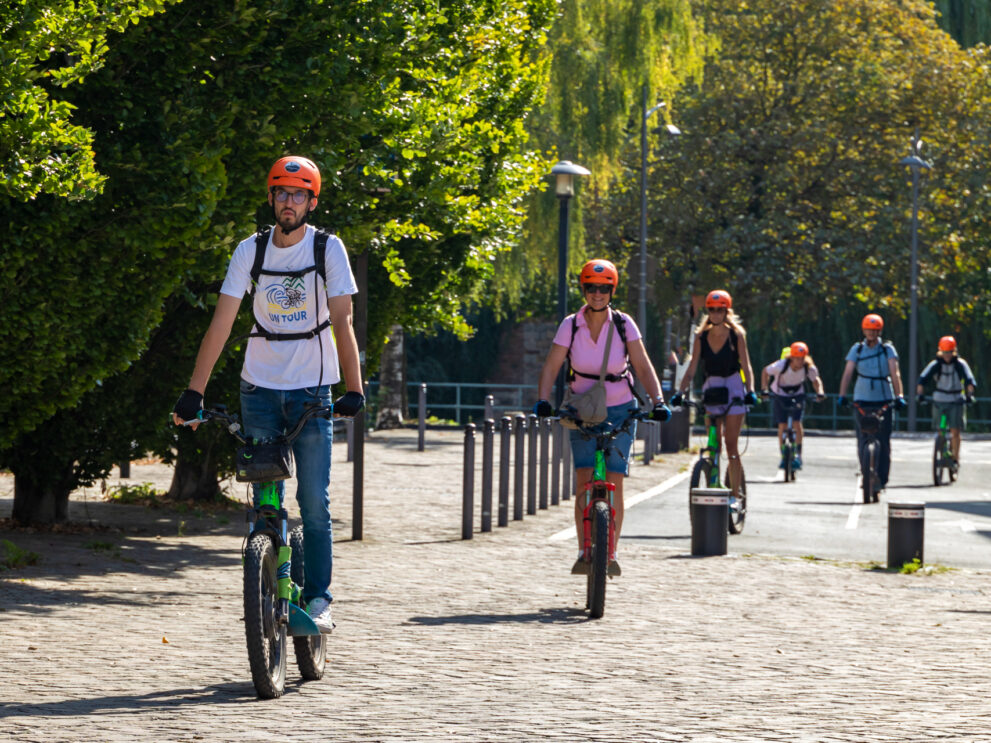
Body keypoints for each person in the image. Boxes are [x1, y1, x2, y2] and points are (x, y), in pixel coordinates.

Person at [172, 156, 365, 633]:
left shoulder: (327, 249)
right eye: (282, 193)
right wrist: (193, 391)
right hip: (258, 386)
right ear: (271, 198)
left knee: (314, 502)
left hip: (311, 389)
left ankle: (319, 599)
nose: (289, 202)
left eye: (299, 195)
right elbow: (222, 322)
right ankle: (266, 588)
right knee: (265, 502)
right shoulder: (251, 251)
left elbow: (342, 322)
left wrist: (354, 388)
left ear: (312, 202)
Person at [532, 259, 671, 578]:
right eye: (591, 288)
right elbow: (552, 365)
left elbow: (642, 364)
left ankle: (611, 551)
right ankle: (584, 550)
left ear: (612, 290)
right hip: (581, 409)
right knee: (583, 478)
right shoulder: (570, 324)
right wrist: (542, 400)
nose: (597, 294)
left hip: (621, 408)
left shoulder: (624, 324)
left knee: (615, 480)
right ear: (583, 289)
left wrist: (658, 401)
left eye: (604, 288)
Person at [670, 290, 757, 501]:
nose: (716, 314)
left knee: (731, 444)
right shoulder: (701, 337)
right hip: (712, 389)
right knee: (713, 440)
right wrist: (679, 393)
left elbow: (746, 366)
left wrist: (750, 391)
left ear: (727, 311)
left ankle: (735, 496)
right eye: (712, 310)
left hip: (734, 387)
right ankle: (712, 477)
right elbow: (692, 368)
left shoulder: (737, 336)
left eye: (720, 310)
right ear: (708, 311)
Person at [837, 313, 906, 492]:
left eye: (875, 330)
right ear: (864, 330)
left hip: (884, 398)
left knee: (883, 440)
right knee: (862, 438)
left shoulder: (887, 349)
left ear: (879, 331)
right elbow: (847, 373)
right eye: (868, 330)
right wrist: (842, 395)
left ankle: (882, 479)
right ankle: (865, 472)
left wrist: (899, 396)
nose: (871, 333)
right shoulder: (857, 349)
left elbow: (894, 372)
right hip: (862, 398)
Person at [760, 341, 826, 471]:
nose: (800, 361)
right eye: (797, 358)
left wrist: (820, 392)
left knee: (797, 423)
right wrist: (764, 389)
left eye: (802, 358)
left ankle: (798, 455)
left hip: (797, 394)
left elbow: (815, 380)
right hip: (780, 394)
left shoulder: (808, 367)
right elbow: (765, 372)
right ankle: (783, 455)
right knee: (782, 425)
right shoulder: (781, 365)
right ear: (792, 357)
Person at [916, 335, 976, 465]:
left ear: (954, 351)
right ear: (940, 351)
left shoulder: (960, 364)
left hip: (956, 400)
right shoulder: (935, 364)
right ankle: (941, 447)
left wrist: (969, 395)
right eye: (944, 352)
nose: (947, 355)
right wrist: (920, 394)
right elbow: (922, 380)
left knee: (955, 431)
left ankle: (955, 458)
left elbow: (969, 381)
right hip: (940, 400)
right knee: (940, 430)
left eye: (949, 352)